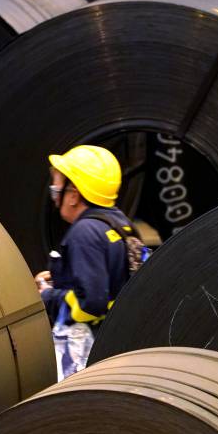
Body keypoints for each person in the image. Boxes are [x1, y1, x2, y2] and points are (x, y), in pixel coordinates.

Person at [36, 145, 139, 379]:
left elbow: (90, 303)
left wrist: (47, 295)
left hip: (85, 352)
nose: (54, 192)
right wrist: (61, 275)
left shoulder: (84, 233)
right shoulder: (120, 224)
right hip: (117, 344)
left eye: (58, 184)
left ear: (73, 195)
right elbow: (113, 274)